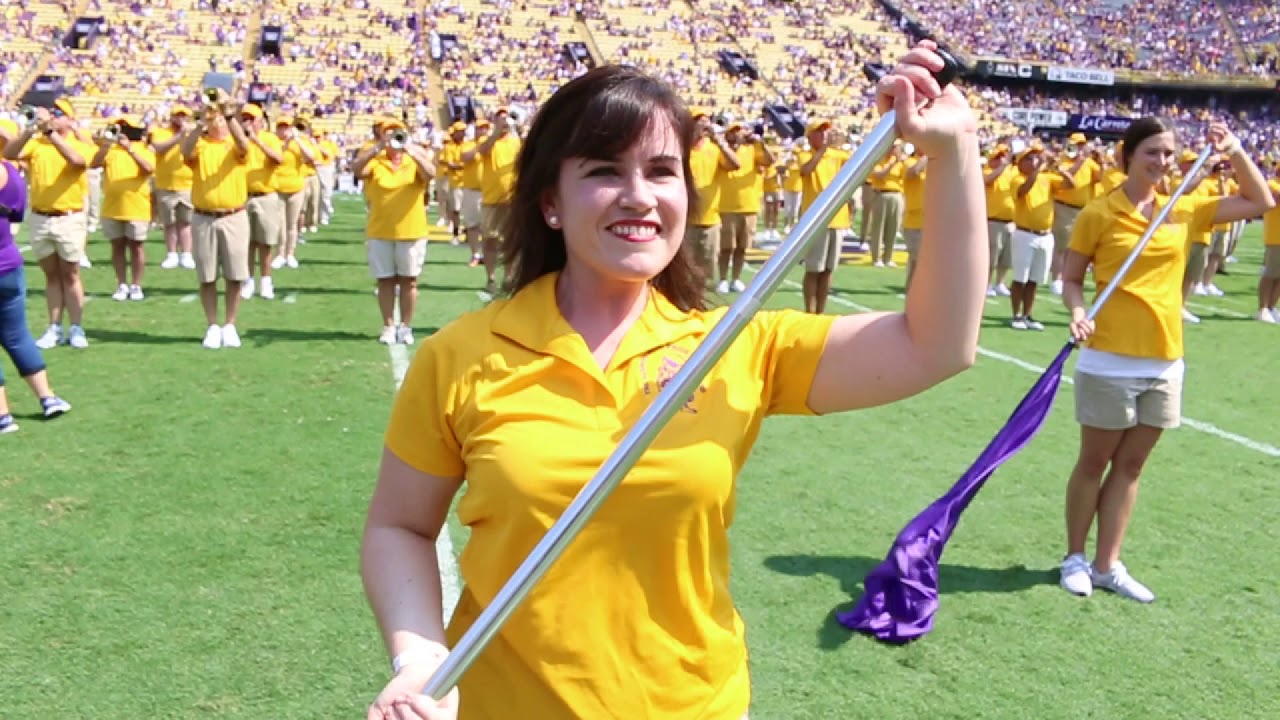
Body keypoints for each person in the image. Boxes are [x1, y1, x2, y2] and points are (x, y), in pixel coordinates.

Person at [361, 41, 988, 720]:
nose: (639, 196)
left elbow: (938, 345)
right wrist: (419, 657)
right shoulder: (462, 353)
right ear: (551, 203)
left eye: (662, 172)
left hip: (695, 706)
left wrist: (953, 151)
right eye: (605, 171)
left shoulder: (736, 346)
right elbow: (400, 525)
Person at [1059, 118, 1274, 603]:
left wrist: (1235, 149)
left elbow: (1260, 201)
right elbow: (1072, 278)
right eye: (1152, 153)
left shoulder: (1184, 210)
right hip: (1109, 355)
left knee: (1132, 468)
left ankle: (1107, 563)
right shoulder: (1100, 212)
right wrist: (1077, 312)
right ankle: (1074, 557)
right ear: (1129, 156)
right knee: (1095, 462)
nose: (1162, 162)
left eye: (1169, 154)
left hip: (1164, 359)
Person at [2, 99, 95, 349]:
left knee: (71, 274)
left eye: (58, 113)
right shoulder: (36, 143)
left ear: (69, 119)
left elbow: (77, 162)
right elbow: (10, 153)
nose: (52, 116)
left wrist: (51, 133)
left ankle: (76, 327)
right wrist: (31, 130)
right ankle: (54, 327)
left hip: (69, 217)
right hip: (41, 217)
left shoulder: (78, 144)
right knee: (51, 276)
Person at [0, 158, 73, 434]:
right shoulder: (9, 172)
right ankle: (48, 398)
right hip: (8, 264)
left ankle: (3, 417)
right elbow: (16, 214)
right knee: (17, 335)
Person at [350, 119, 435, 345]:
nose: (393, 141)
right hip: (381, 229)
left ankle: (406, 326)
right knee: (385, 280)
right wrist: (377, 148)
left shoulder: (414, 159)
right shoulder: (376, 161)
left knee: (409, 281)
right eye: (388, 136)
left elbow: (430, 173)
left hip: (411, 229)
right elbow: (357, 171)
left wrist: (411, 150)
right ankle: (388, 325)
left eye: (396, 134)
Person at [181, 90, 252, 349]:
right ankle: (212, 325)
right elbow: (185, 151)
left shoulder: (234, 147)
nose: (216, 123)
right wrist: (200, 121)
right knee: (207, 275)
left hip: (233, 215)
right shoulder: (199, 146)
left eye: (219, 119)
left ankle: (230, 324)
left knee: (235, 275)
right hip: (203, 217)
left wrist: (229, 114)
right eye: (214, 120)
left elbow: (244, 145)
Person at [91, 116, 156, 302]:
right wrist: (106, 144)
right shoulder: (110, 150)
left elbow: (148, 168)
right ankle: (121, 283)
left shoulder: (144, 149)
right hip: (112, 206)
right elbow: (94, 164)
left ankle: (136, 285)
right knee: (117, 247)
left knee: (137, 247)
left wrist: (130, 149)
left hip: (137, 206)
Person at [796, 119, 852, 313]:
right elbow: (805, 170)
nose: (825, 135)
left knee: (828, 270)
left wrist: (840, 141)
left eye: (827, 132)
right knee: (813, 269)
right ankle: (809, 310)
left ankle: (820, 311)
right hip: (815, 219)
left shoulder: (839, 155)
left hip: (837, 219)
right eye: (820, 132)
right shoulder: (804, 154)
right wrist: (823, 150)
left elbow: (855, 167)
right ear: (810, 136)